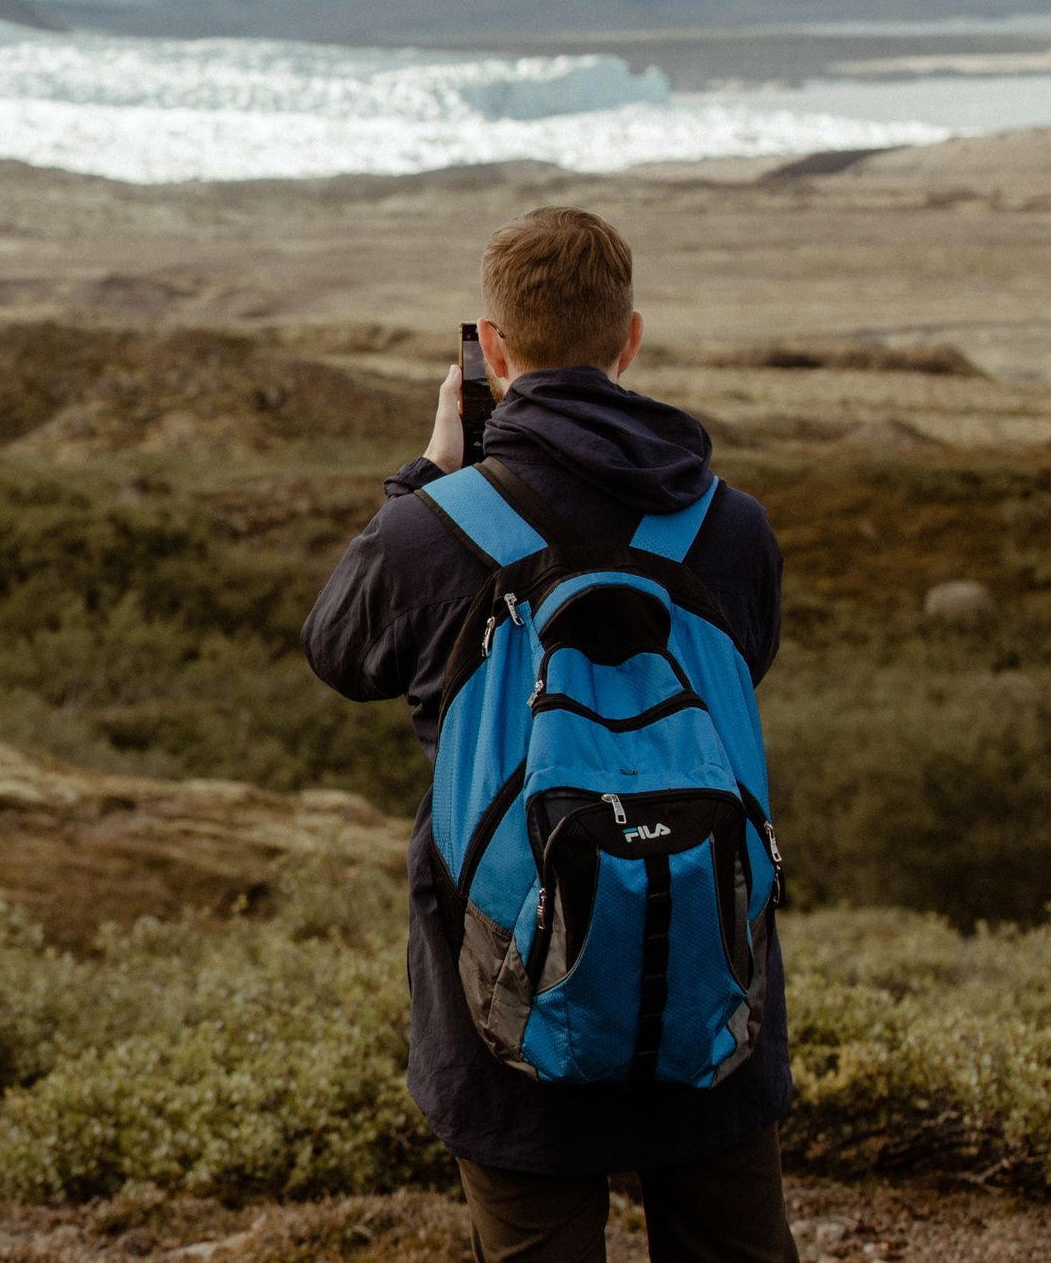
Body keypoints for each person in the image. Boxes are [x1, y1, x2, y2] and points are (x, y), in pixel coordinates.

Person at [300, 207, 797, 1263]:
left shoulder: (435, 530)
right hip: (706, 976)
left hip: (506, 996)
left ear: (489, 348)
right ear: (630, 340)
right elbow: (735, 674)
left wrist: (427, 476)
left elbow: (337, 651)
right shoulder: (731, 527)